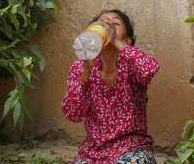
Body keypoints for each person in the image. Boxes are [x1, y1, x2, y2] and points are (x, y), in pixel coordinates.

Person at [61, 9, 159, 164]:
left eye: (115, 23)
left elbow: (149, 69)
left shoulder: (132, 66)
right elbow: (73, 114)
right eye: (101, 22)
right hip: (93, 152)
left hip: (131, 148)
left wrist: (114, 41)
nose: (107, 25)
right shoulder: (80, 67)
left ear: (126, 41)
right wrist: (86, 73)